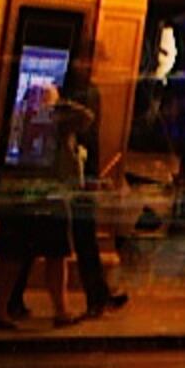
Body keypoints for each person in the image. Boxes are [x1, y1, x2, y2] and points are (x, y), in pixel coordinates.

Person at [0, 83, 74, 330]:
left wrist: (58, 106)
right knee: (14, 254)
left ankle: (61, 308)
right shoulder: (20, 120)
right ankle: (1, 310)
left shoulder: (57, 122)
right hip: (27, 193)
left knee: (56, 254)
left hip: (48, 193)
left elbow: (85, 117)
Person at [55, 72, 127, 319]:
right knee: (74, 241)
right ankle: (97, 296)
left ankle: (98, 295)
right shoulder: (72, 127)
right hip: (74, 184)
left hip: (78, 183)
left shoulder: (75, 133)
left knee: (70, 240)